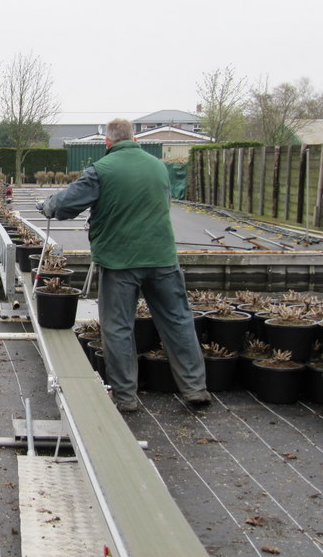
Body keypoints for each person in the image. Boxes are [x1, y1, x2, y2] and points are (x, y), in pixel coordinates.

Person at [40, 118, 210, 413]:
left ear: (108, 142)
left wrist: (48, 205)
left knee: (118, 327)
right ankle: (195, 388)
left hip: (121, 261)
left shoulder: (102, 170)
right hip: (163, 258)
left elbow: (66, 205)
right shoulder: (158, 166)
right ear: (134, 138)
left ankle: (126, 397)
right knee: (178, 321)